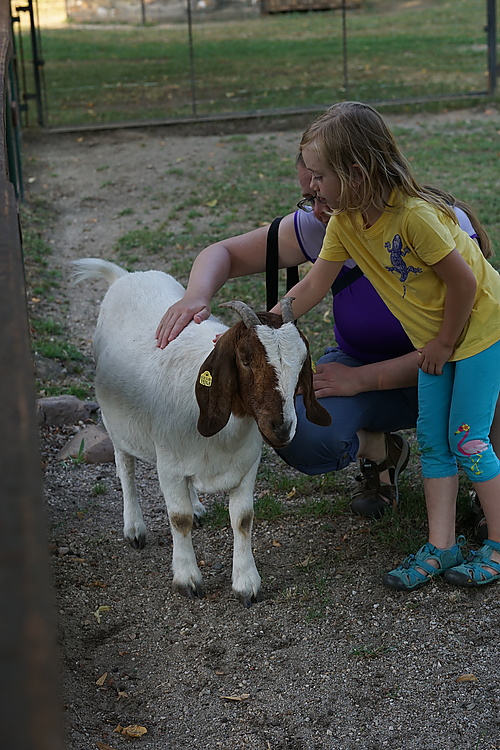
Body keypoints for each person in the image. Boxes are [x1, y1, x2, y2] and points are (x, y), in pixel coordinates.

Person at [155, 151, 495, 538]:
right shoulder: (329, 223)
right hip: (370, 364)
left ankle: (490, 500)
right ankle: (384, 454)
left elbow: (465, 333)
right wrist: (200, 297)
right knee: (296, 424)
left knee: (488, 393)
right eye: (308, 195)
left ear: (354, 176)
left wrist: (363, 380)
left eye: (320, 187)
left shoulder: (430, 220)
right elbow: (226, 253)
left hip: (456, 361)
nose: (315, 207)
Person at [269, 100, 500, 590]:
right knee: (436, 442)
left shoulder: (415, 217)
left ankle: (498, 542)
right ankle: (442, 546)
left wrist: (441, 342)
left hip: (480, 333)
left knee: (469, 439)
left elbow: (464, 286)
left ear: (355, 173)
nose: (310, 186)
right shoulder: (346, 223)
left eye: (318, 176)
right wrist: (265, 324)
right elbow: (311, 287)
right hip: (437, 344)